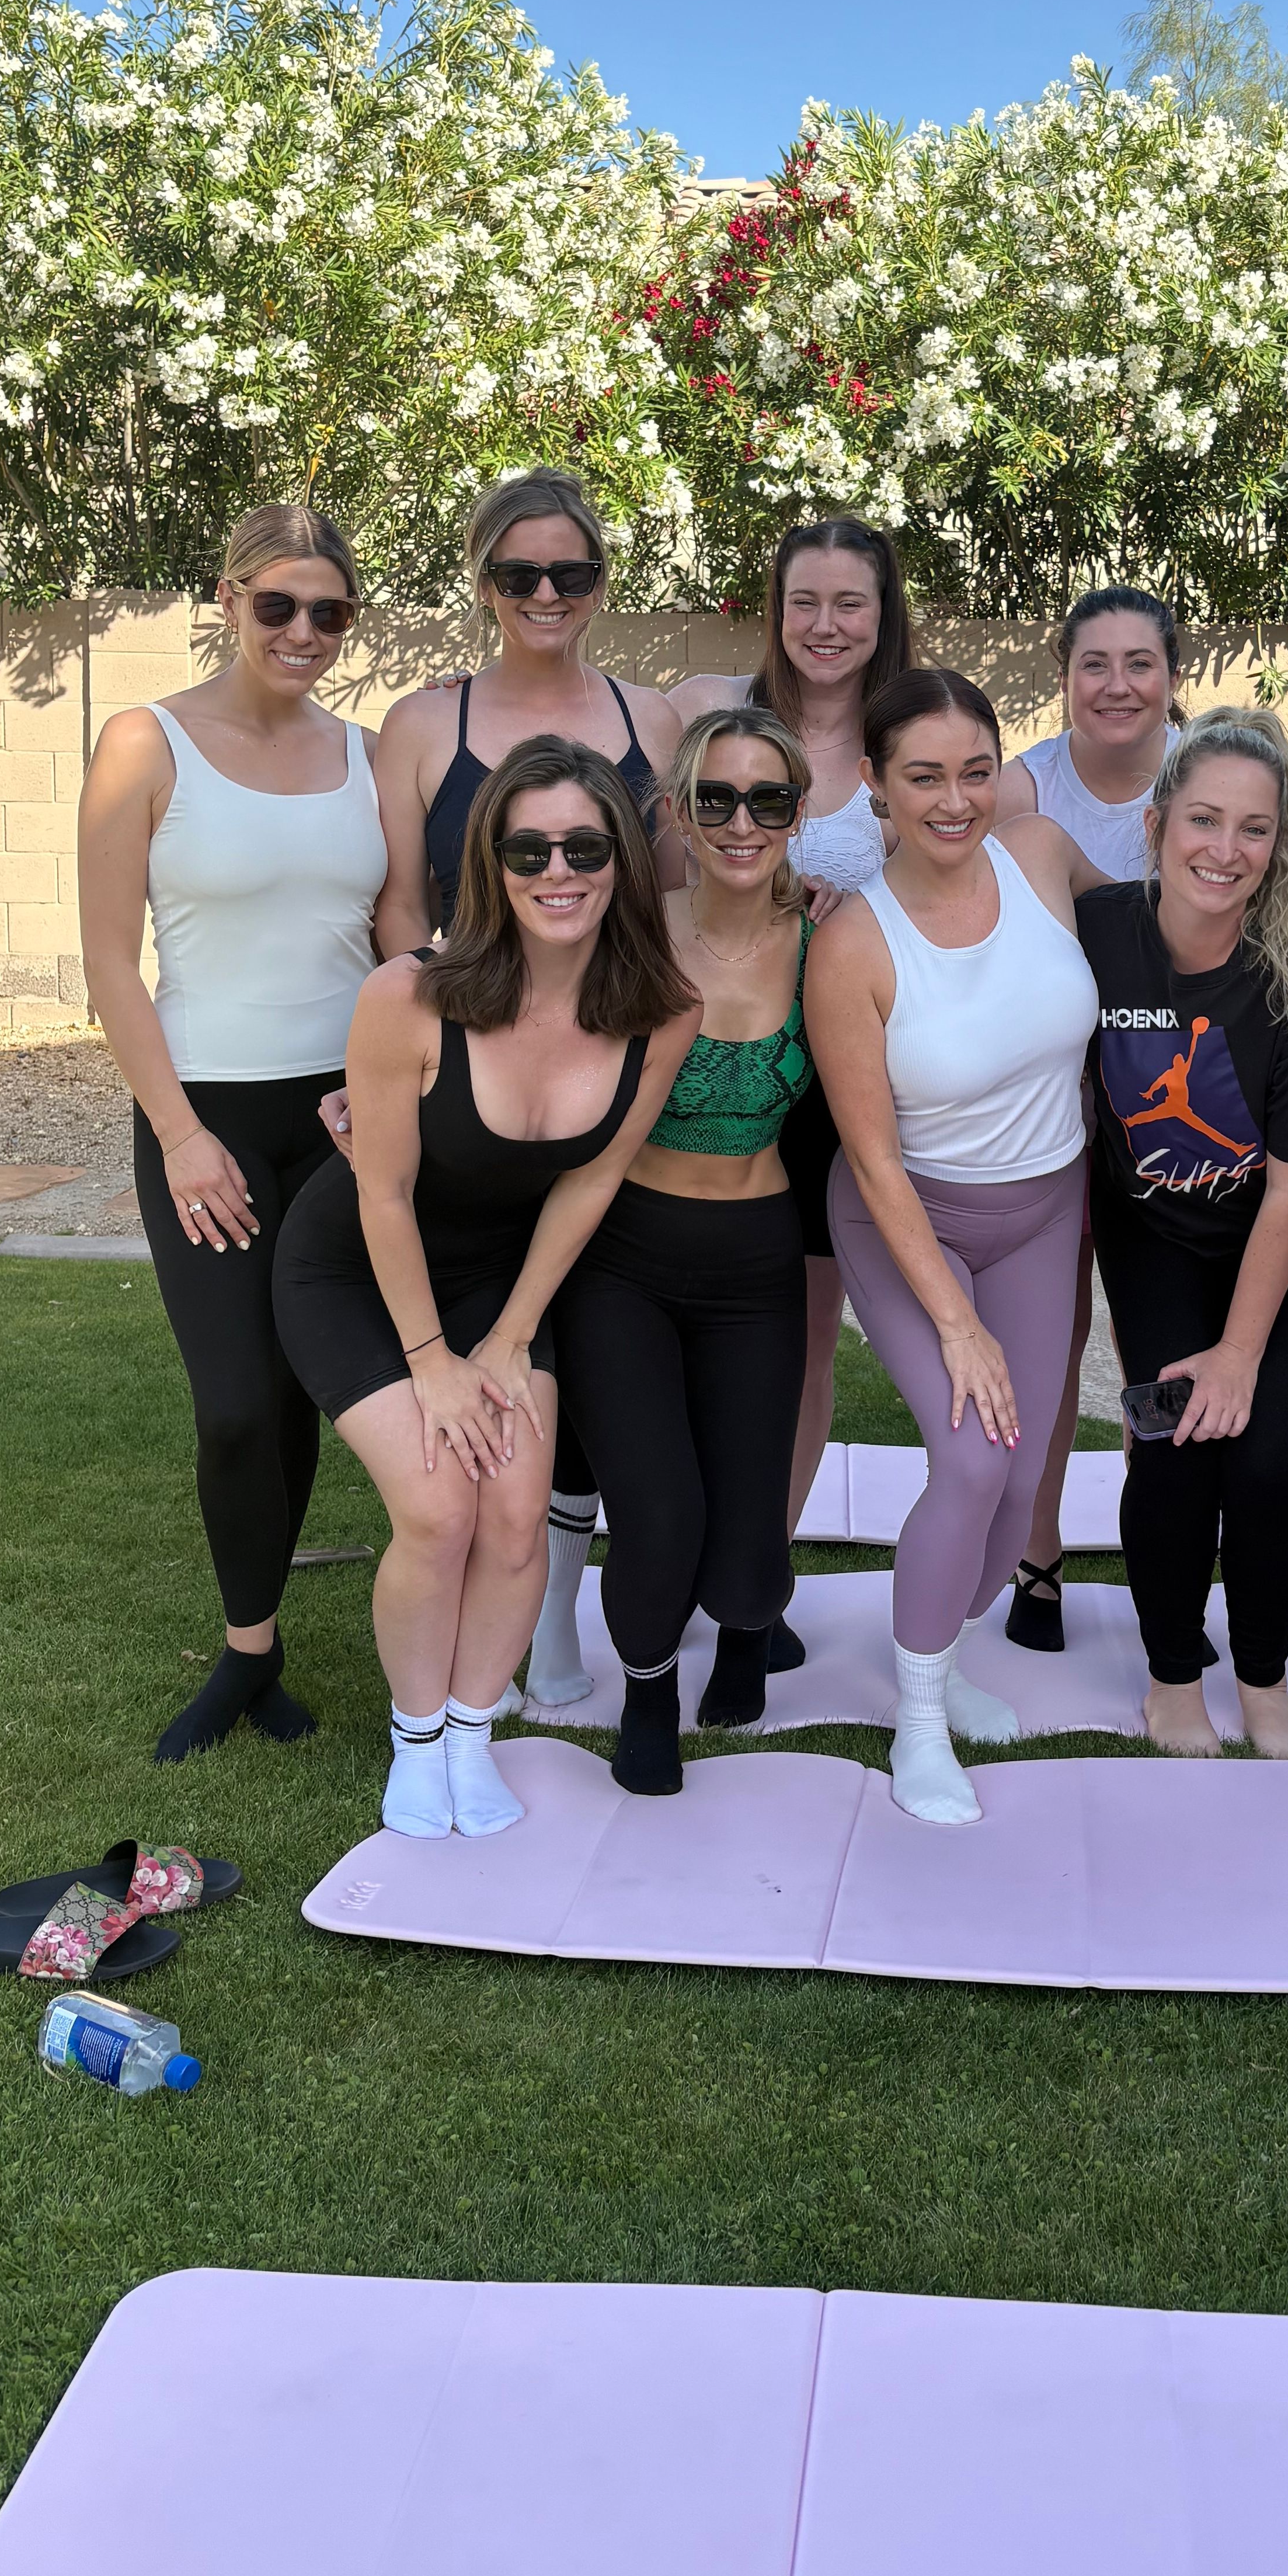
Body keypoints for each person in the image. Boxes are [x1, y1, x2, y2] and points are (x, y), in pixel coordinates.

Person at [273, 739, 697, 1838]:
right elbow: (382, 1196)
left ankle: (473, 1732)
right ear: (491, 861)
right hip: (359, 1270)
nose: (558, 869)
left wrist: (509, 1339)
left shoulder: (661, 1009)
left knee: (516, 1521)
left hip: (502, 1287)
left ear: (621, 859)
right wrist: (432, 1367)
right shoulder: (407, 994)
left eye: (585, 845)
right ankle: (416, 1743)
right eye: (527, 846)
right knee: (437, 1505)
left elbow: (594, 1173)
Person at [78, 501, 387, 1761]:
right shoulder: (144, 743)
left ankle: (261, 1655)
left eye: (329, 612)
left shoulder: (371, 756)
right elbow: (108, 963)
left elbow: (399, 937)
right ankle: (244, 1648)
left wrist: (383, 1089)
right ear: (229, 599)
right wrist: (182, 1132)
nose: (303, 631)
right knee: (233, 1404)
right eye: (279, 606)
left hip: (340, 1120)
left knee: (304, 1386)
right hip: (207, 1114)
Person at [804, 668, 1101, 1825]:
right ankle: (918, 1721)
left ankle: (940, 1650)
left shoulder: (1037, 854)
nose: (954, 799)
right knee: (974, 1462)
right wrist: (957, 1323)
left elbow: (1175, 919)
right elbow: (875, 1164)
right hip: (907, 1219)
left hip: (1045, 1210)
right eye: (923, 776)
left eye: (975, 771)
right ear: (875, 783)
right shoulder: (853, 947)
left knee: (1025, 1484)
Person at [1071, 710, 1288, 1758]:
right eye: (1202, 819)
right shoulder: (1092, 930)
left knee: (1261, 1456)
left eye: (1253, 829)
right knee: (1167, 1450)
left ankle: (1261, 1675)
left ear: (1280, 845)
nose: (1223, 849)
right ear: (1156, 823)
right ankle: (1169, 1675)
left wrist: (1240, 1356)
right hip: (1157, 1230)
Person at [532, 707, 820, 1792]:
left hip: (756, 1259)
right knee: (657, 1514)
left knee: (746, 1554)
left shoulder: (828, 937)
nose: (740, 821)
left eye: (767, 799)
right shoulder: (626, 927)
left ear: (800, 810)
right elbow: (491, 992)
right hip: (625, 1257)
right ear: (677, 811)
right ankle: (646, 1688)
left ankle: (746, 1628)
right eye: (715, 798)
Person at [673, 514, 919, 1548]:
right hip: (717, 1063)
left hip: (847, 1078)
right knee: (681, 1321)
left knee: (806, 1333)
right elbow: (659, 876)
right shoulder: (708, 712)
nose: (824, 624)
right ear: (774, 611)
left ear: (882, 613)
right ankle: (677, 1535)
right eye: (803, 601)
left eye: (848, 602)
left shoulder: (909, 732)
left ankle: (756, 1562)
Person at [993, 583, 1186, 1646]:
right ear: (1063, 675)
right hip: (1059, 1115)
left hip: (1184, 1119)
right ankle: (1037, 1555)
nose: (1115, 685)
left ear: (1171, 676)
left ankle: (1164, 1530)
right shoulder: (1022, 788)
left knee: (1158, 1348)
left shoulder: (1221, 770)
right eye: (1092, 664)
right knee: (1047, 1346)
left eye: (1137, 663)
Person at [371, 465, 684, 952]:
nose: (546, 594)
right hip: (470, 1014)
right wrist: (437, 1019)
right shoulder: (420, 725)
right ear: (485, 587)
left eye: (571, 575)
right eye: (518, 576)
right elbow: (402, 908)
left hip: (619, 1018)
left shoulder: (651, 720)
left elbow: (671, 903)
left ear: (598, 587)